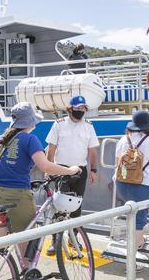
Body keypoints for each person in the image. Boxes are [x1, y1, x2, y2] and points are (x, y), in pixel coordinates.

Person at [0, 102, 81, 262]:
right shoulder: (30, 140)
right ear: (30, 122)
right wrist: (70, 170)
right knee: (27, 251)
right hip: (18, 198)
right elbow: (44, 166)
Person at [45, 95, 99, 254]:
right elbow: (51, 148)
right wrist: (49, 169)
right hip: (60, 170)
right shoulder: (59, 124)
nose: (81, 111)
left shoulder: (88, 126)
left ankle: (73, 238)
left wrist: (94, 170)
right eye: (78, 108)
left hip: (80, 171)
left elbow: (92, 151)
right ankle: (56, 241)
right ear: (70, 109)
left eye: (83, 108)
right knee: (58, 206)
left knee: (76, 207)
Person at [114, 110, 149, 249]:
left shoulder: (124, 139)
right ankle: (131, 259)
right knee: (139, 220)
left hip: (122, 184)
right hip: (142, 185)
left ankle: (139, 241)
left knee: (131, 215)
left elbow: (117, 161)